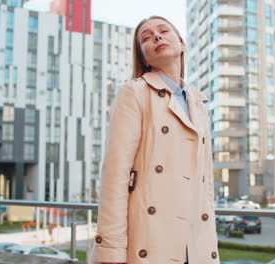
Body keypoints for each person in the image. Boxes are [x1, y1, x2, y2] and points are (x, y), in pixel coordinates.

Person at [88, 16, 219, 264]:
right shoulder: (134, 92)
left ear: (181, 44)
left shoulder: (199, 104)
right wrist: (111, 249)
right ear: (145, 58)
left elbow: (206, 182)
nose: (156, 37)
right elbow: (115, 175)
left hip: (196, 244)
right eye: (146, 38)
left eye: (163, 31)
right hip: (151, 239)